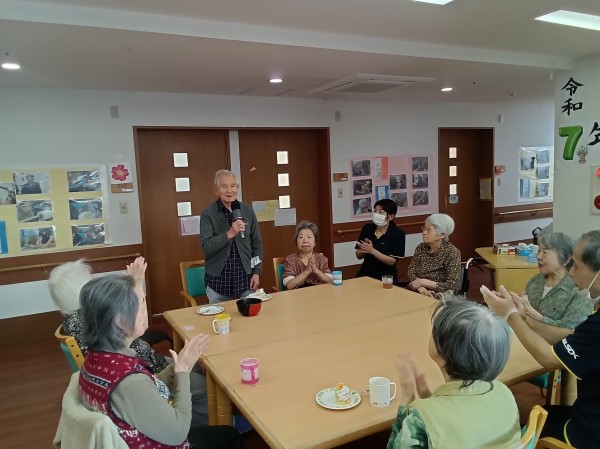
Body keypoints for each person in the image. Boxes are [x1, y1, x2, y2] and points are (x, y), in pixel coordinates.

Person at [76, 274, 241, 449]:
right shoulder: (128, 382)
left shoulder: (96, 358)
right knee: (229, 435)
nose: (145, 311)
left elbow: (145, 390)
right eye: (140, 305)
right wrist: (183, 373)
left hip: (136, 430)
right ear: (120, 321)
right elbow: (177, 434)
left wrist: (175, 368)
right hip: (157, 443)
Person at [49, 258, 209, 427]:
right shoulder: (96, 326)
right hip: (148, 376)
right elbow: (137, 377)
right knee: (201, 381)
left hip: (148, 370)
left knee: (199, 366)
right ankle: (206, 424)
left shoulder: (80, 322)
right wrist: (181, 372)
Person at [481, 230, 600, 448]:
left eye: (575, 266)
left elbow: (549, 359)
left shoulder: (596, 324)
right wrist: (523, 317)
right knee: (544, 413)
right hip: (588, 412)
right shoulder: (538, 282)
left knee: (516, 430)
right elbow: (571, 336)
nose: (571, 273)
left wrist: (510, 315)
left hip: (588, 434)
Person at [387, 299, 520, 449]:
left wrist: (407, 399)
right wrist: (429, 400)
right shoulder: (504, 393)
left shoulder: (418, 419)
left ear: (442, 348)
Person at [200, 170, 263, 303]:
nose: (229, 190)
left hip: (245, 278)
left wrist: (256, 272)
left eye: (233, 186)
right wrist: (229, 234)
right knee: (220, 316)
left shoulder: (247, 210)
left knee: (249, 315)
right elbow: (206, 246)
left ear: (237, 188)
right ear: (216, 190)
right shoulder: (208, 213)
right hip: (218, 282)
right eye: (224, 186)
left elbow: (256, 244)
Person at [510, 232, 592, 330]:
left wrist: (535, 315)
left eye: (545, 252)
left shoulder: (578, 289)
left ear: (566, 259)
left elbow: (571, 330)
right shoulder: (536, 280)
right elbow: (524, 308)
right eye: (539, 251)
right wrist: (513, 301)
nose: (538, 257)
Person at [407, 214, 461, 297]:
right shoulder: (421, 247)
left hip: (440, 296)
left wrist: (422, 282)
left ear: (442, 234)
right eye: (424, 228)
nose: (424, 232)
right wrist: (421, 288)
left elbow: (453, 286)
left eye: (429, 230)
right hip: (418, 291)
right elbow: (411, 272)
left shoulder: (452, 253)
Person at [356, 199, 405, 283]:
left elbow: (392, 261)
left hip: (386, 277)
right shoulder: (367, 228)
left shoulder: (398, 233)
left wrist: (372, 251)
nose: (376, 214)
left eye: (381, 212)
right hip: (365, 274)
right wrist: (364, 249)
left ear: (391, 216)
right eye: (375, 211)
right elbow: (358, 255)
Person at [282, 220, 332, 289]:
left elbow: (330, 281)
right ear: (296, 241)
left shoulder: (322, 259)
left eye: (309, 237)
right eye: (301, 237)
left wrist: (316, 271)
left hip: (320, 294)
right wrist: (306, 272)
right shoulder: (290, 260)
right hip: (298, 295)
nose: (305, 241)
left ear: (315, 242)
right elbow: (289, 285)